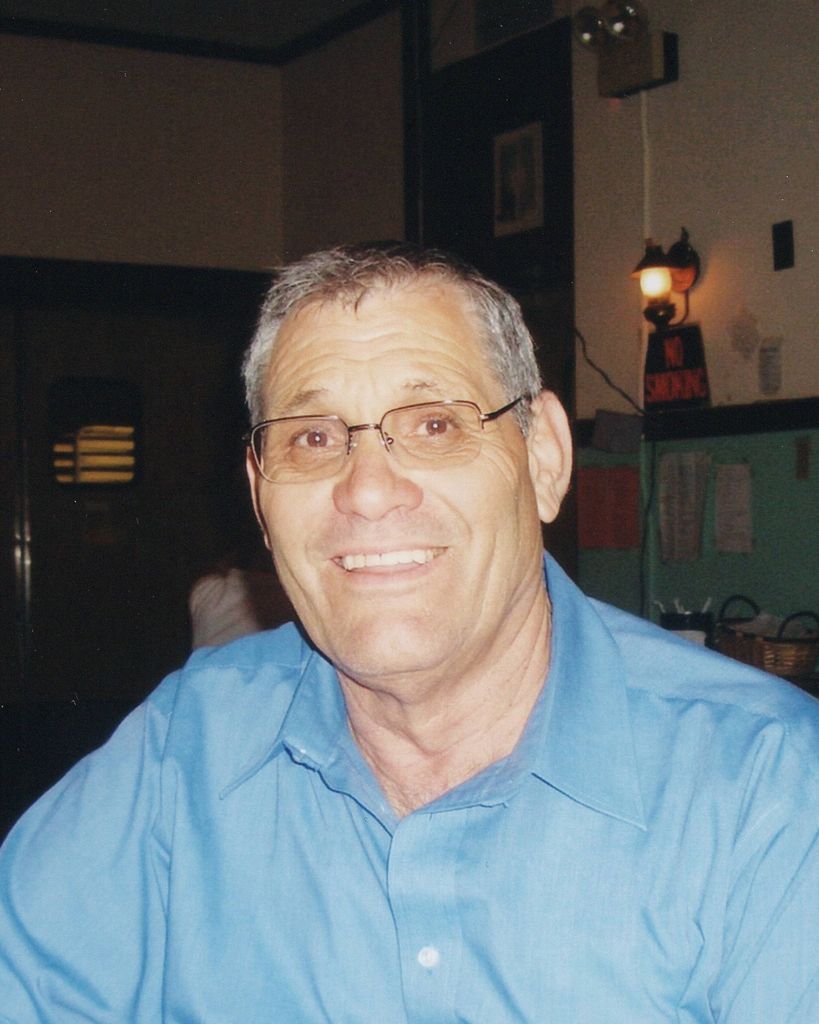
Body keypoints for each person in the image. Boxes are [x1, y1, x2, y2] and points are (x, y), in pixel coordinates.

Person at [1, 243, 818, 1022]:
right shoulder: (183, 752)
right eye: (312, 438)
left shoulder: (765, 787)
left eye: (433, 425)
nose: (366, 491)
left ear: (543, 457)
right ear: (259, 496)